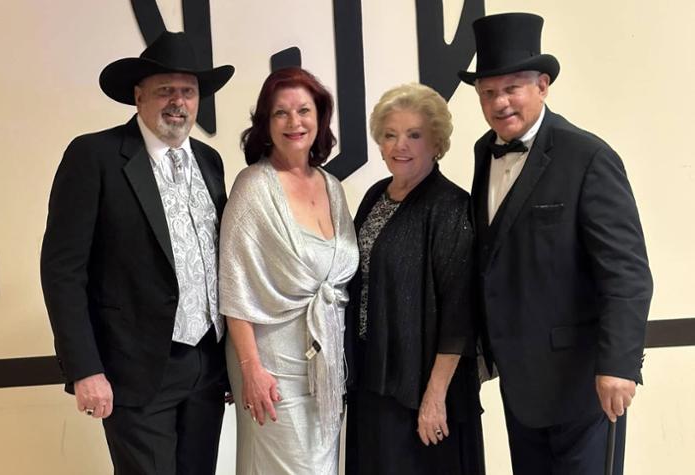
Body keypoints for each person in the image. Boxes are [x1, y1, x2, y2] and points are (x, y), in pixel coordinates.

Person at [458, 12, 653, 474]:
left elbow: (627, 272)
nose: (499, 102)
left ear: (542, 85)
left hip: (583, 385)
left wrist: (619, 366)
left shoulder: (587, 157)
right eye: (488, 93)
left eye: (512, 88)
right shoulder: (485, 153)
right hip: (520, 386)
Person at [40, 31, 234, 474]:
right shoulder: (94, 156)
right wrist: (84, 368)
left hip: (206, 366)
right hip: (136, 368)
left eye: (188, 91)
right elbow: (62, 270)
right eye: (165, 90)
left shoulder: (210, 161)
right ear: (138, 95)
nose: (178, 102)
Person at [218, 66, 358, 475]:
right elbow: (234, 285)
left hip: (326, 368)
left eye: (304, 110)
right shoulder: (254, 186)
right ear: (266, 123)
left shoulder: (332, 186)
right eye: (281, 113)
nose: (294, 122)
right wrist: (251, 371)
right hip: (271, 367)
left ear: (320, 117)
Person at [344, 83, 485, 475]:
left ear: (437, 143)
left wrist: (435, 397)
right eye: (390, 135)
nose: (399, 145)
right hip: (373, 376)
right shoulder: (375, 195)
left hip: (421, 389)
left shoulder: (450, 206)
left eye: (414, 135)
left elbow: (459, 312)